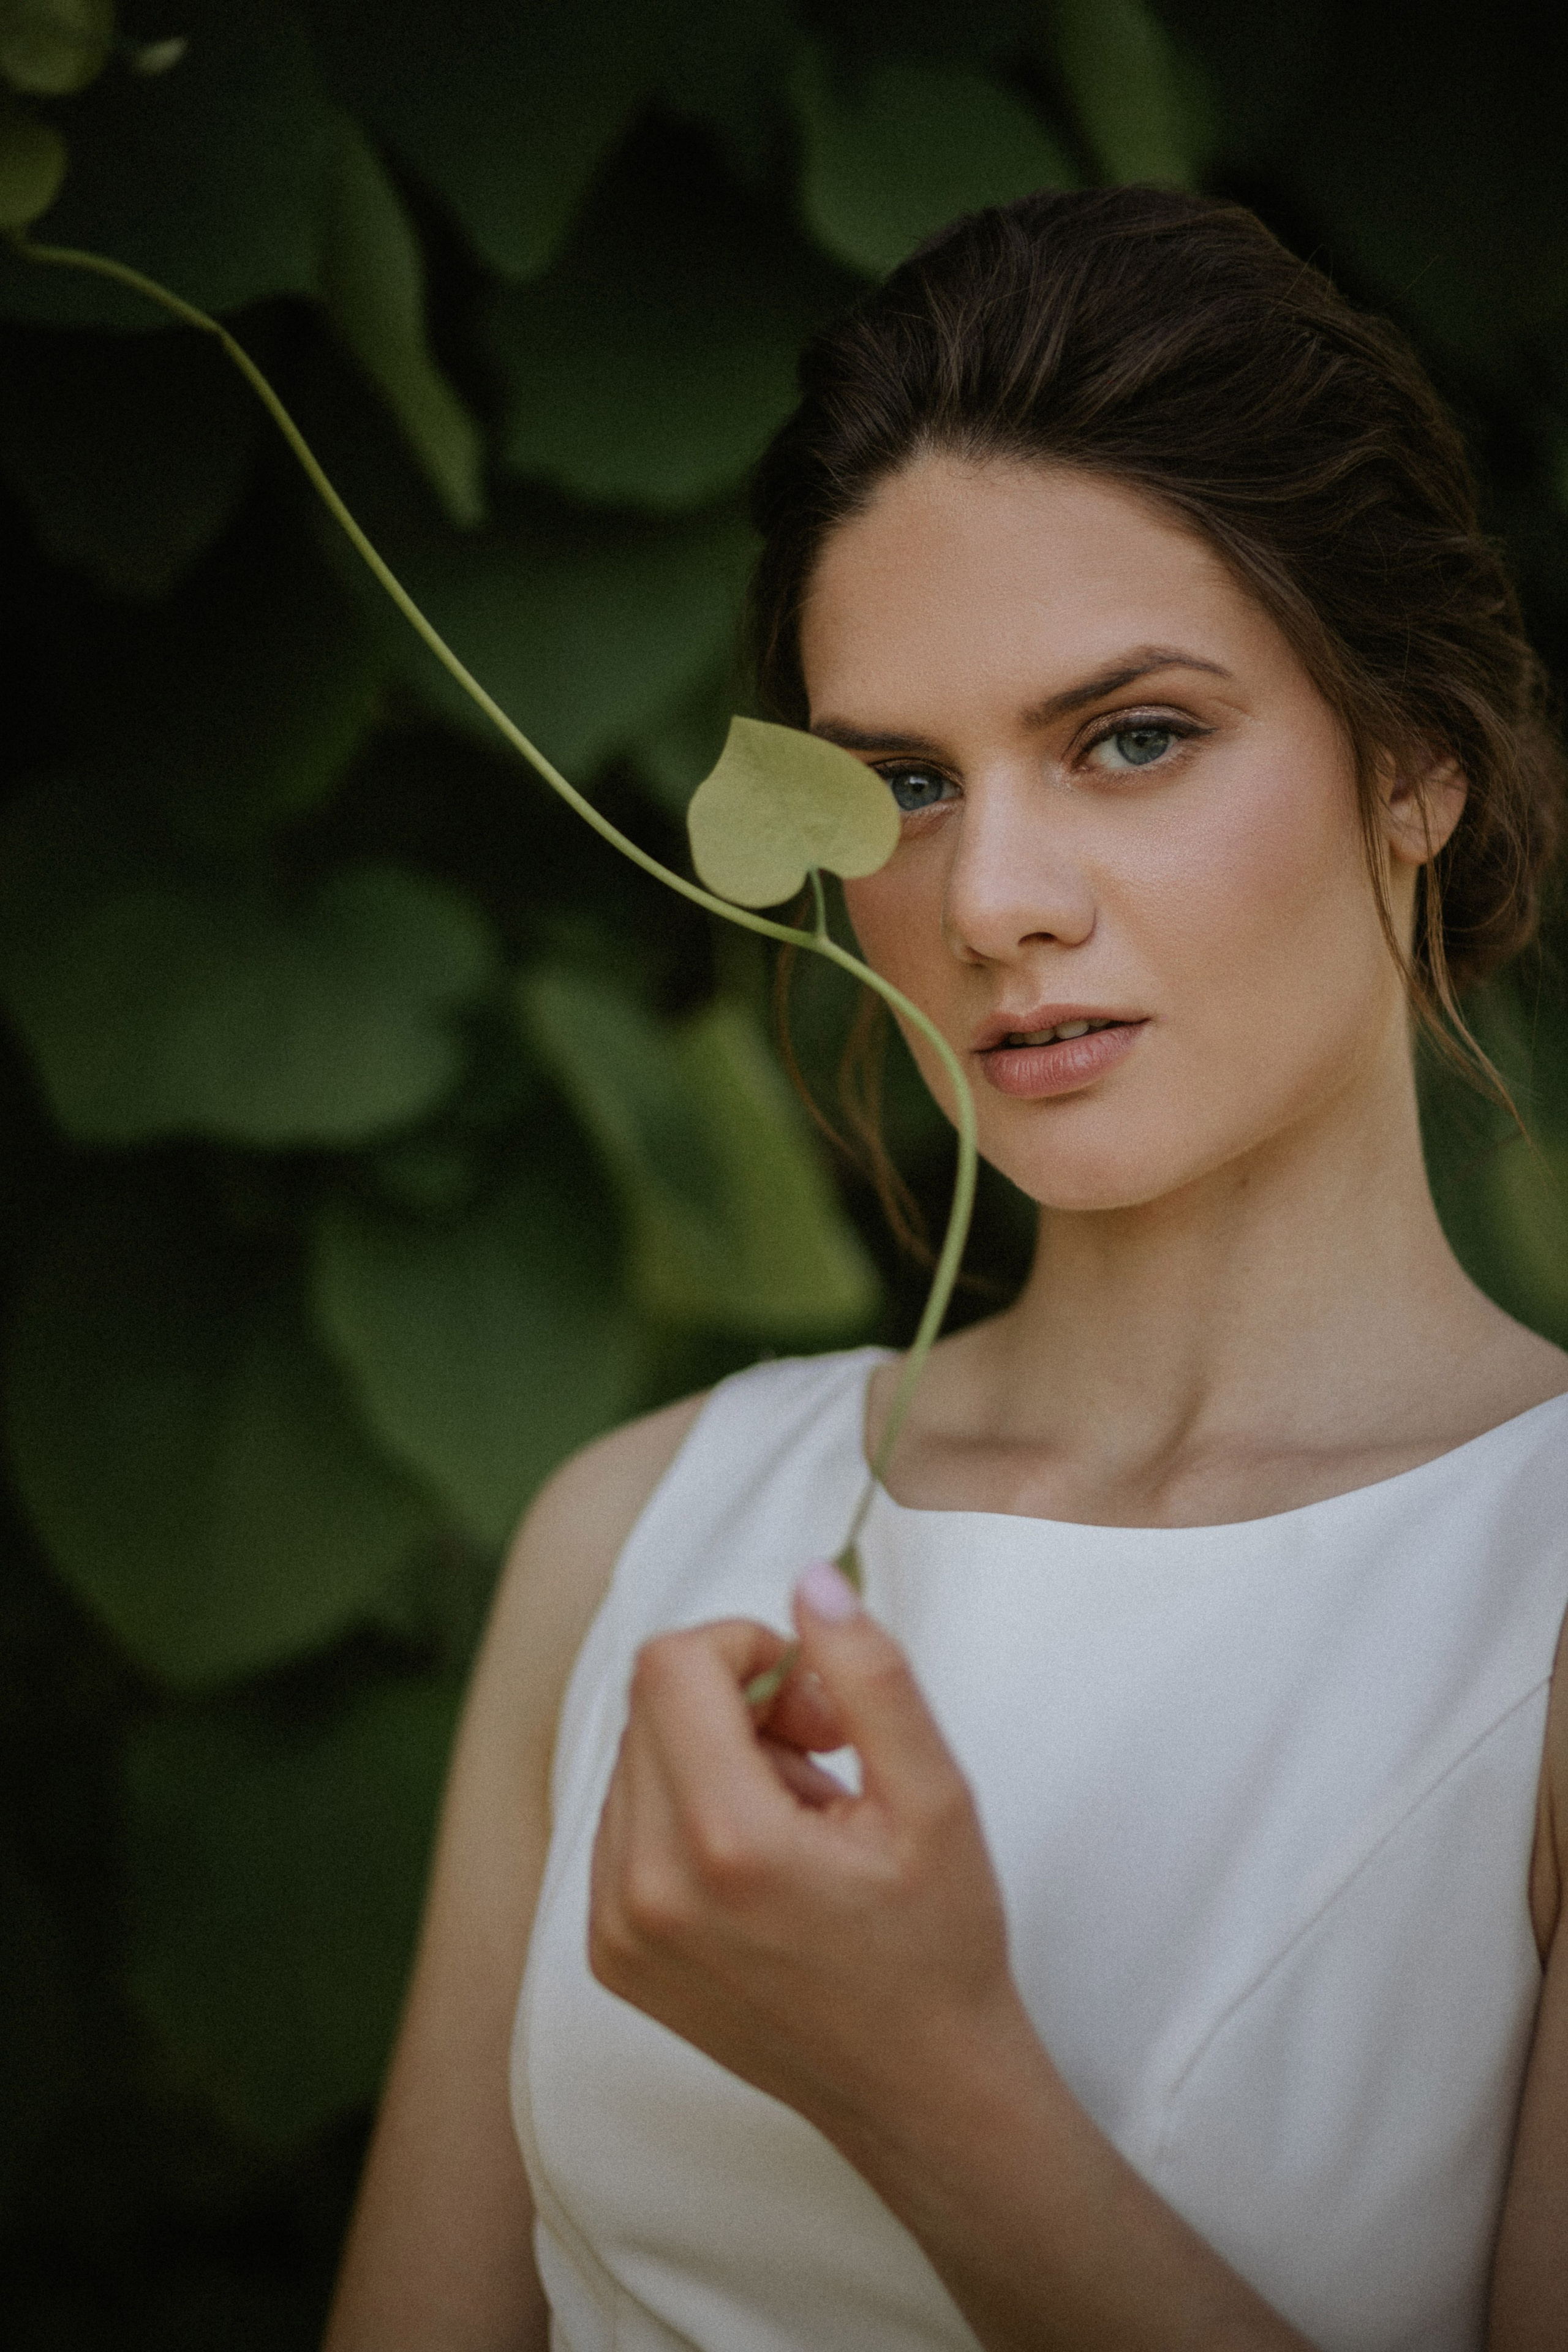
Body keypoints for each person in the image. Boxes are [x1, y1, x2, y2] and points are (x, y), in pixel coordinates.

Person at [323, 187, 1568, 2352]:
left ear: (1419, 761)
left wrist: (931, 2089)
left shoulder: (1535, 1591)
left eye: (1134, 738)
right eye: (900, 781)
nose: (990, 897)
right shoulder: (639, 1536)